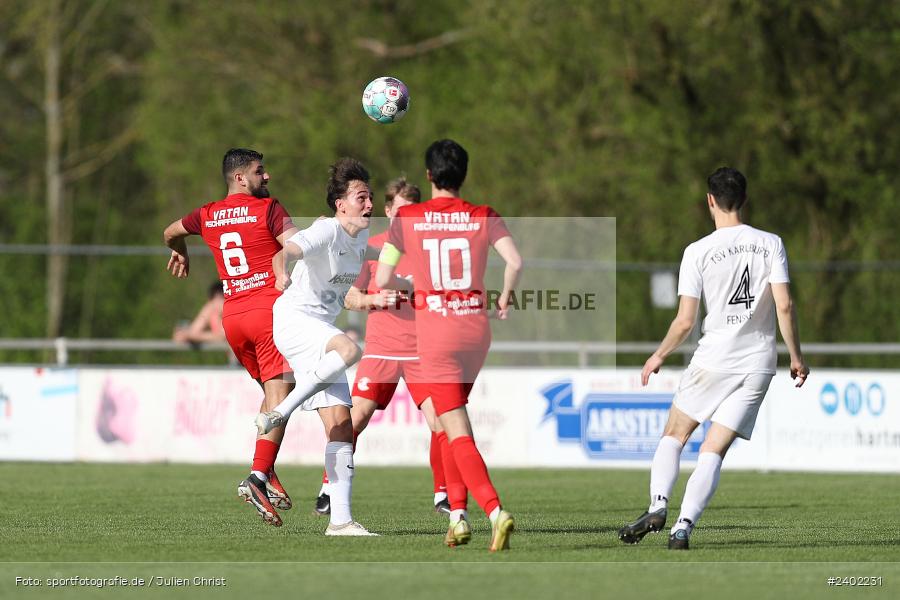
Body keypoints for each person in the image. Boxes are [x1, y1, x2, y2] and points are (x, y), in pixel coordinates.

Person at [618, 167, 809, 550]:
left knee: (675, 434)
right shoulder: (771, 243)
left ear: (710, 200)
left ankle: (658, 505)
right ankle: (683, 527)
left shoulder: (697, 251)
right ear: (745, 199)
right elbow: (784, 304)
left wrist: (658, 355)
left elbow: (686, 321)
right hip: (757, 364)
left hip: (713, 360)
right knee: (713, 450)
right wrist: (796, 357)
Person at [375, 139, 524, 551]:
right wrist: (505, 298)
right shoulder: (482, 215)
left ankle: (495, 511)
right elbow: (515, 262)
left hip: (437, 336)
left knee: (455, 428)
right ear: (464, 174)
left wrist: (413, 282)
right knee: (446, 420)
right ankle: (457, 517)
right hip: (475, 332)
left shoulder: (406, 218)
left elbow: (384, 280)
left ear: (429, 175)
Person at [256, 157, 393, 536]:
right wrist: (282, 270)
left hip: (318, 326)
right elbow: (283, 252)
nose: (369, 205)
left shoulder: (361, 235)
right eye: (361, 197)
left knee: (341, 426)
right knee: (350, 350)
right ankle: (281, 410)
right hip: (295, 321)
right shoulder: (326, 230)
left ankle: (341, 521)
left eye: (369, 197)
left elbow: (371, 255)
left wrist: (402, 255)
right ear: (341, 204)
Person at [163, 148, 298, 527]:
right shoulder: (268, 208)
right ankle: (257, 476)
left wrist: (181, 252)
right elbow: (298, 245)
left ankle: (266, 471)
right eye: (259, 171)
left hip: (233, 317)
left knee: (274, 396)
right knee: (281, 396)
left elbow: (169, 231)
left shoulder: (206, 214)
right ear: (241, 178)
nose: (266, 177)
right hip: (268, 313)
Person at [312, 177, 450, 517]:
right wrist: (376, 298)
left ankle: (443, 496)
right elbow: (348, 296)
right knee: (353, 419)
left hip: (423, 350)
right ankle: (329, 488)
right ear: (388, 211)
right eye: (400, 211)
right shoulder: (369, 248)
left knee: (441, 422)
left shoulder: (430, 248)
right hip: (382, 349)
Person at [172, 281, 227, 345]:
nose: (217, 304)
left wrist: (189, 336)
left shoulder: (234, 310)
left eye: (220, 299)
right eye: (214, 300)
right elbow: (193, 331)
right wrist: (184, 334)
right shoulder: (211, 308)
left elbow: (223, 337)